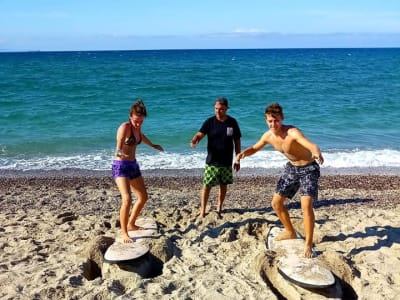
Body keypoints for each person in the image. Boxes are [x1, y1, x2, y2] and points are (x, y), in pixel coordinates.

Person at [236, 102, 323, 258]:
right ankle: (290, 231)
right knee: (276, 203)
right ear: (266, 121)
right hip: (291, 168)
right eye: (270, 121)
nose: (273, 124)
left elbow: (310, 144)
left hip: (308, 169)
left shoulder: (292, 132)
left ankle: (308, 244)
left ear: (281, 118)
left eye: (276, 120)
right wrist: (243, 154)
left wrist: (316, 152)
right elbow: (255, 148)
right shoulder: (268, 136)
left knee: (306, 206)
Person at [112, 99, 164, 243]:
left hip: (133, 165)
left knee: (143, 196)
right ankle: (124, 232)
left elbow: (141, 136)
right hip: (120, 166)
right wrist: (118, 151)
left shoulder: (137, 128)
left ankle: (131, 223)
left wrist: (153, 145)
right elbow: (120, 142)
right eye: (136, 121)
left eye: (141, 121)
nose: (138, 123)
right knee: (127, 199)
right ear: (130, 117)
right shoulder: (125, 127)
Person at [190, 97, 242, 219]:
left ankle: (219, 207)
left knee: (223, 186)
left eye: (221, 109)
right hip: (212, 161)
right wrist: (195, 139)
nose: (218, 111)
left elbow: (237, 141)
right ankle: (202, 211)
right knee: (206, 186)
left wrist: (237, 159)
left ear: (226, 109)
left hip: (226, 161)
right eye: (216, 109)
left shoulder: (232, 122)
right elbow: (200, 134)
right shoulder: (209, 122)